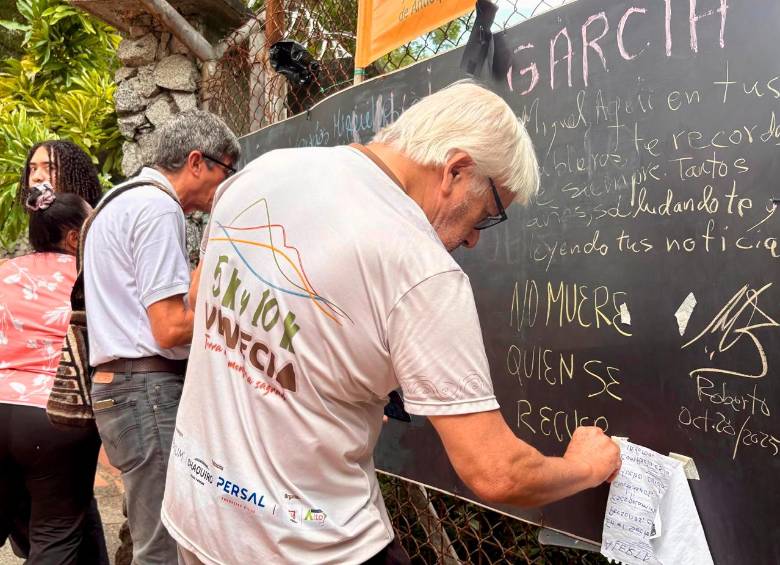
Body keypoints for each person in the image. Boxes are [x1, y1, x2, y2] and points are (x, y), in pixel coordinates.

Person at [161, 81, 622, 564]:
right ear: (456, 170)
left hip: (200, 512)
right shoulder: (421, 270)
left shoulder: (263, 173)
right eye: (488, 214)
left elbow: (204, 300)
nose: (473, 242)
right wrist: (585, 466)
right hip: (305, 544)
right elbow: (497, 471)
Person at [83, 109, 240, 565]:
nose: (224, 188)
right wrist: (228, 300)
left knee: (153, 536)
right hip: (146, 390)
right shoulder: (158, 207)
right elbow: (169, 327)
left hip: (125, 389)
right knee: (166, 548)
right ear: (197, 161)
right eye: (226, 172)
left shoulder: (120, 198)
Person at [0, 188, 103, 564]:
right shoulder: (88, 276)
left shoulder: (4, 272)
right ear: (76, 237)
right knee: (55, 535)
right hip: (54, 416)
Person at [19, 140, 104, 208]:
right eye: (33, 169)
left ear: (72, 176)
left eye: (50, 168)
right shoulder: (37, 226)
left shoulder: (99, 223)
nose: (36, 177)